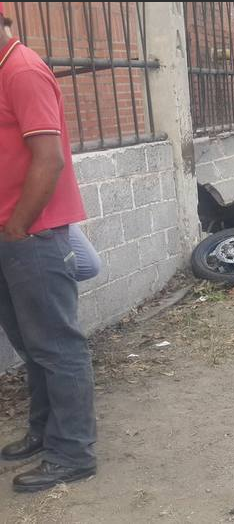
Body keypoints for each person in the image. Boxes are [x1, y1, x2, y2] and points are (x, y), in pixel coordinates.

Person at [0, 6, 98, 492]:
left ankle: (72, 451)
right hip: (12, 237)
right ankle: (44, 432)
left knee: (57, 347)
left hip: (32, 236)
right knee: (32, 346)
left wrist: (18, 225)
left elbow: (49, 157)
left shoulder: (22, 70)